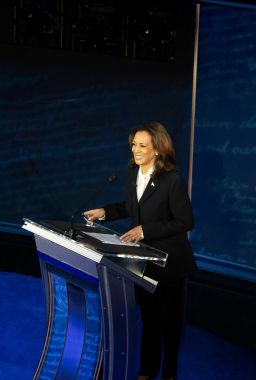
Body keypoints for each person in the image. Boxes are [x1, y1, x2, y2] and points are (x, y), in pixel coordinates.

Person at [84, 122, 195, 380]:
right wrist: (105, 212)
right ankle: (147, 371)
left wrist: (145, 230)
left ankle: (168, 374)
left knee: (170, 325)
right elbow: (131, 206)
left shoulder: (172, 179)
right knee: (150, 320)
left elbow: (185, 221)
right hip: (143, 262)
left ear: (157, 149)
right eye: (134, 144)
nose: (136, 150)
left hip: (171, 263)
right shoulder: (133, 174)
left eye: (142, 145)